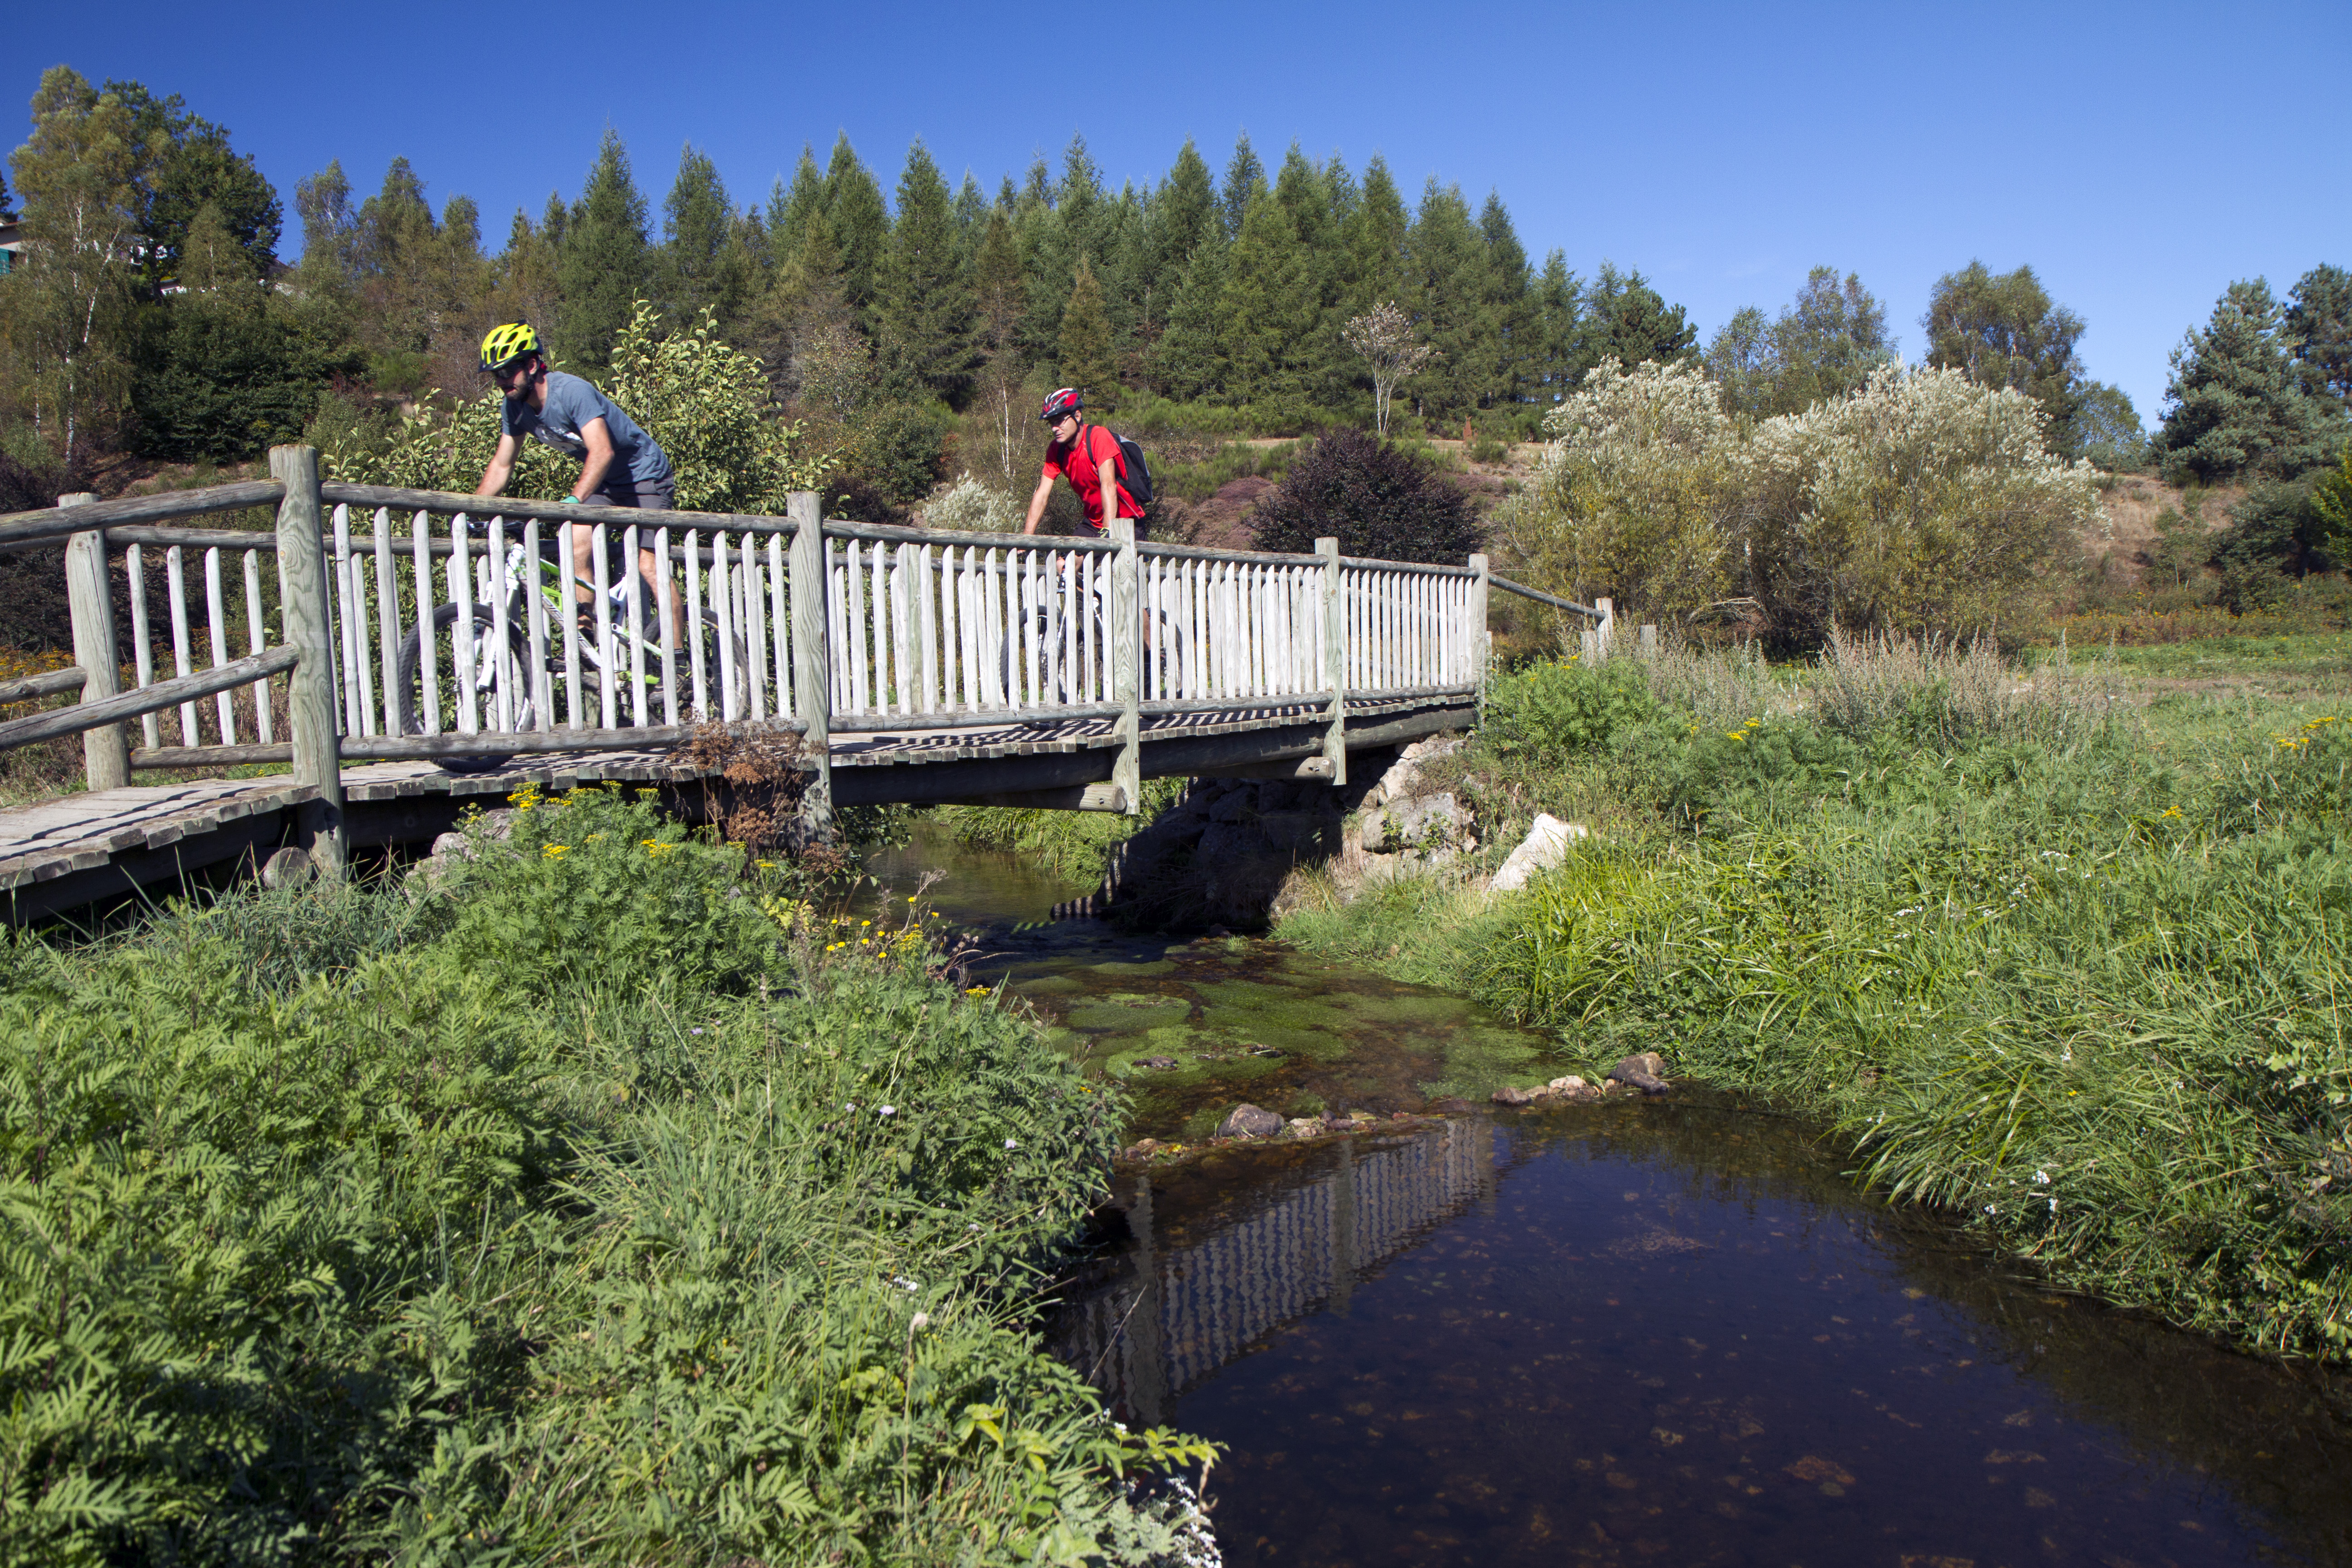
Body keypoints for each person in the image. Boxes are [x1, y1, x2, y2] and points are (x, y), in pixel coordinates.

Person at [472, 323, 679, 628]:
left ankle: (678, 661)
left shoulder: (571, 391)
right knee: (573, 542)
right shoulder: (514, 408)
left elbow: (603, 451)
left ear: (531, 365)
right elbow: (502, 465)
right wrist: (471, 509)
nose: (501, 381)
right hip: (606, 481)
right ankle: (586, 631)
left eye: (507, 372)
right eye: (496, 375)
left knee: (649, 565)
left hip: (645, 477)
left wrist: (573, 500)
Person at [1022, 387, 1146, 540]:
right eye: (1051, 423)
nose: (1055, 429)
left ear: (1078, 416)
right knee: (1065, 564)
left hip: (1126, 520)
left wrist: (1107, 530)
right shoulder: (1056, 450)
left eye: (1060, 421)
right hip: (1094, 521)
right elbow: (1042, 494)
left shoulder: (1098, 437)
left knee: (1114, 564)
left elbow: (1108, 484)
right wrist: (1026, 538)